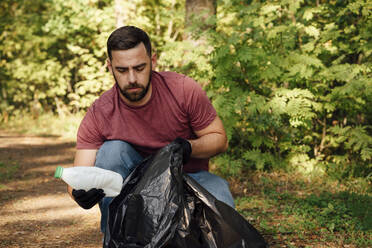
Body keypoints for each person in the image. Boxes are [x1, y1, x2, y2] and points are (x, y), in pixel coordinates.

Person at [67, 25, 235, 234]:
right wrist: (79, 194)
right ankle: (118, 240)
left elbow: (220, 139)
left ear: (153, 61)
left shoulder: (183, 90)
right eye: (122, 70)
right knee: (111, 151)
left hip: (188, 179)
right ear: (110, 67)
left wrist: (188, 147)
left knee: (221, 198)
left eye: (139, 68)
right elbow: (78, 174)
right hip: (134, 189)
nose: (132, 79)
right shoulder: (100, 112)